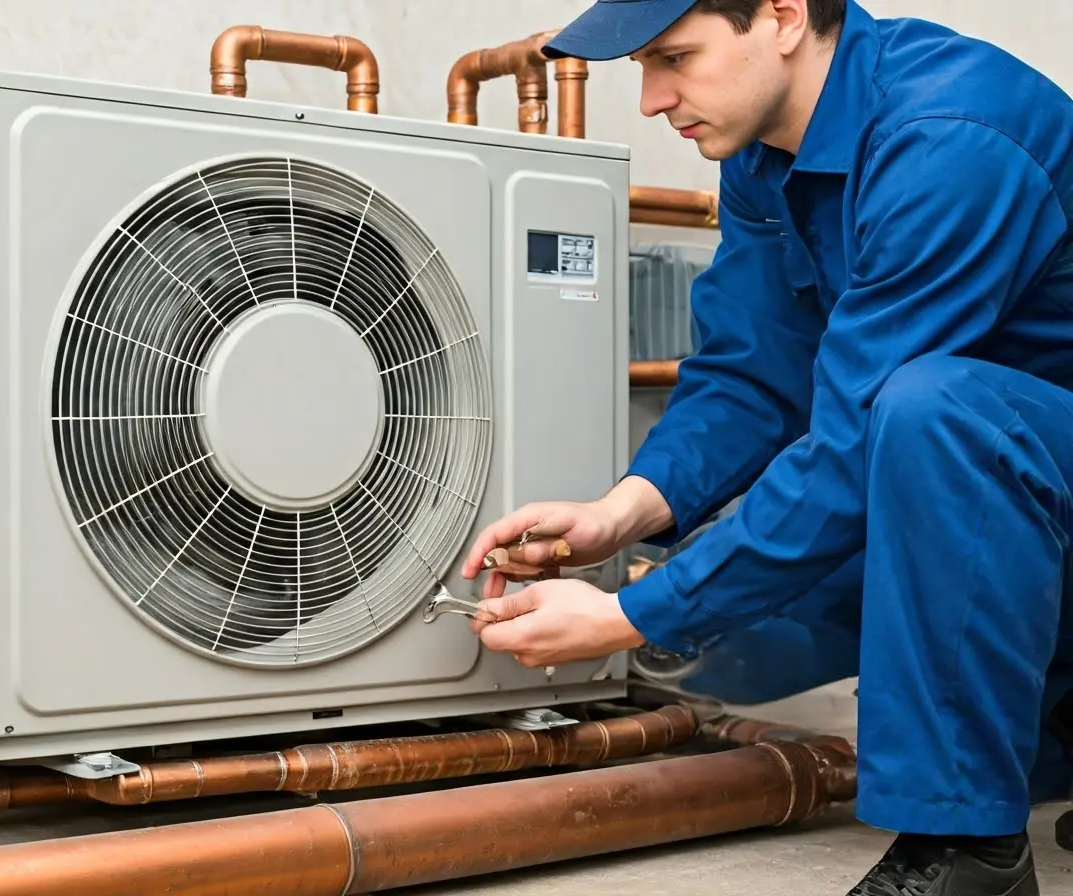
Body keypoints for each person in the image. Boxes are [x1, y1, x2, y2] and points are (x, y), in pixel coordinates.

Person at [459, 1, 1073, 894]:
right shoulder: (765, 155)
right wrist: (622, 512)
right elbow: (754, 371)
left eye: (675, 57)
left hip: (1011, 466)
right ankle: (1044, 731)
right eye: (642, 66)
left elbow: (865, 432)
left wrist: (636, 616)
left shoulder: (950, 137)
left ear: (783, 15)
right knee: (750, 624)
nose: (653, 99)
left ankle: (964, 851)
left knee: (932, 412)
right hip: (1011, 490)